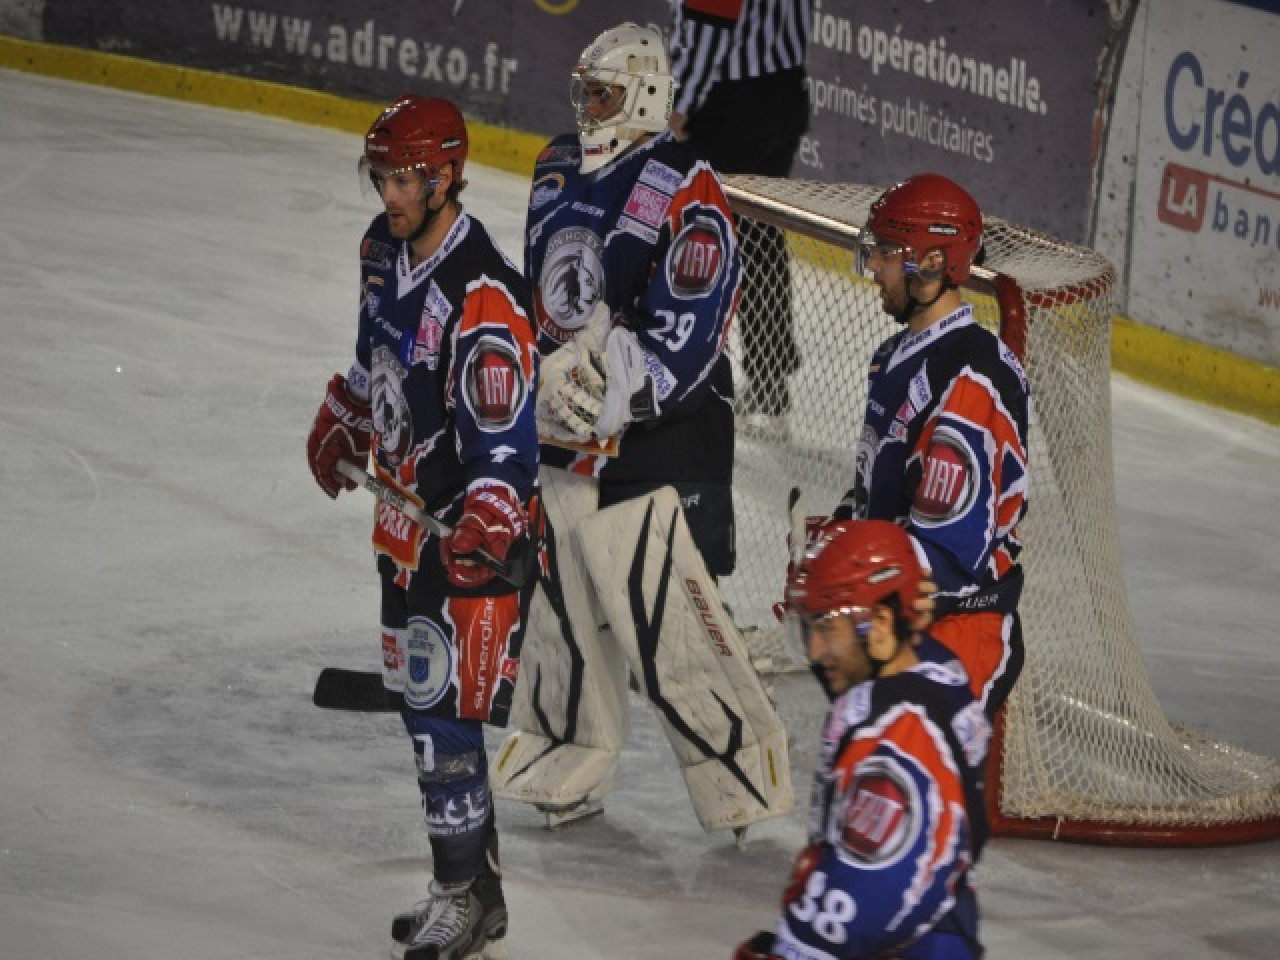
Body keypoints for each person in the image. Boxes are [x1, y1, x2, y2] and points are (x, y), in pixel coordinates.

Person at [490, 22, 793, 834]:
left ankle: (741, 770)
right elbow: (539, 298)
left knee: (663, 618)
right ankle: (565, 747)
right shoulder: (556, 168)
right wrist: (537, 379)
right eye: (583, 92)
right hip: (564, 428)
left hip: (657, 433)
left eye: (605, 93)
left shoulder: (687, 183)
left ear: (649, 94)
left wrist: (608, 385)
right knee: (559, 607)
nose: (588, 108)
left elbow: (688, 328)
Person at [305, 94, 540, 960]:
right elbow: (378, 360)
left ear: (446, 176)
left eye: (405, 177)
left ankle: (461, 897)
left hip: (464, 538)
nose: (390, 192)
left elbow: (506, 443)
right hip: (401, 528)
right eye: (382, 175)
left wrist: (485, 515)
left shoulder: (483, 293)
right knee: (419, 710)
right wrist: (348, 415)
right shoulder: (381, 251)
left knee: (445, 718)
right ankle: (473, 889)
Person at [737, 518, 991, 960]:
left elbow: (881, 884)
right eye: (810, 630)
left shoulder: (898, 736)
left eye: (827, 629)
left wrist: (799, 949)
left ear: (878, 623)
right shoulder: (927, 679)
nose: (815, 653)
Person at [833, 173, 1031, 721]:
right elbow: (882, 490)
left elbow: (948, 554)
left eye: (889, 252)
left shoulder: (970, 377)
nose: (874, 264)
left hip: (954, 643)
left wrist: (848, 565)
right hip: (903, 628)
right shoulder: (897, 355)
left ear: (936, 263)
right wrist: (841, 531)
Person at [669, 0, 812, 430]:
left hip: (729, 104)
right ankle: (769, 381)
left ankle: (694, 374)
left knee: (705, 239)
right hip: (785, 91)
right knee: (759, 240)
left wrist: (677, 108)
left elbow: (706, 33)